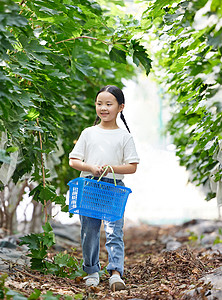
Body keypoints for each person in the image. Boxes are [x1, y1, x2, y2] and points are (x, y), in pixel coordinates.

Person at [68, 85, 139, 291]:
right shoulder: (88, 133)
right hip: (89, 185)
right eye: (100, 104)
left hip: (114, 188)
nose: (103, 108)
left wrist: (111, 169)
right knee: (89, 230)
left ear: (120, 107)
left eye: (109, 104)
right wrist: (90, 167)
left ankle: (116, 272)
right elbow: (74, 160)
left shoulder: (125, 136)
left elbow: (132, 166)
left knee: (114, 230)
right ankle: (92, 271)